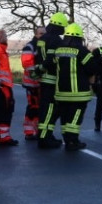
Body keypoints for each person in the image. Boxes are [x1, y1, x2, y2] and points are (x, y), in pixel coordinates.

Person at [46, 22, 99, 150]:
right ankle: (72, 142)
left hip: (61, 92)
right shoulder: (81, 51)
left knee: (64, 117)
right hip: (78, 93)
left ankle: (67, 140)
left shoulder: (58, 50)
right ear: (79, 37)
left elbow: (50, 65)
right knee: (75, 118)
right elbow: (92, 68)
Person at [35, 12, 68, 149]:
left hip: (44, 79)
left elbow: (39, 58)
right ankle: (44, 138)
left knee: (46, 109)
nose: (63, 31)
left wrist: (38, 70)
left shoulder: (43, 38)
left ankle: (46, 134)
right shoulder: (55, 40)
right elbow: (50, 60)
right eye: (63, 28)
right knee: (50, 110)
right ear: (58, 26)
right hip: (52, 80)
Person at [19, 25, 45, 140]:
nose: (43, 36)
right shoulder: (30, 46)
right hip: (32, 83)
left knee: (40, 107)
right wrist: (36, 76)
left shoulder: (43, 46)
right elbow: (27, 65)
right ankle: (29, 131)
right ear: (36, 34)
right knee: (32, 107)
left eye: (44, 34)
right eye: (40, 34)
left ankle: (37, 130)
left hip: (41, 83)